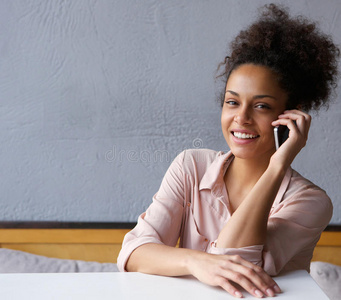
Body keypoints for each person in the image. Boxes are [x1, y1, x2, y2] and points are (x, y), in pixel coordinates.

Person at [117, 3, 339, 298]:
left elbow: (240, 262)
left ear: (290, 117)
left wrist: (277, 166)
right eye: (232, 102)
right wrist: (195, 261)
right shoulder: (190, 167)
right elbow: (133, 252)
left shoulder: (311, 202)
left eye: (261, 106)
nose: (242, 118)